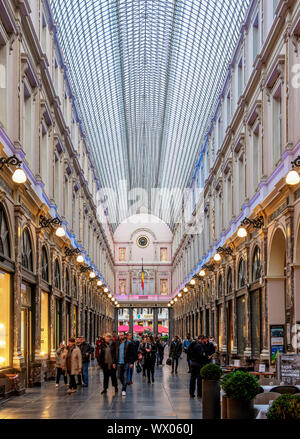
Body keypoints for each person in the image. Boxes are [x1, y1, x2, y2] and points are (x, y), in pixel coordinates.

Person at [115, 332, 136, 396]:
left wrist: (132, 363)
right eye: (120, 335)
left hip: (126, 362)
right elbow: (115, 353)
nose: (121, 337)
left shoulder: (129, 343)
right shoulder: (117, 343)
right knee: (119, 376)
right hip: (119, 362)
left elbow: (132, 354)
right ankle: (124, 384)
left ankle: (124, 389)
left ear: (125, 336)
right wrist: (114, 362)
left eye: (122, 335)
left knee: (125, 376)